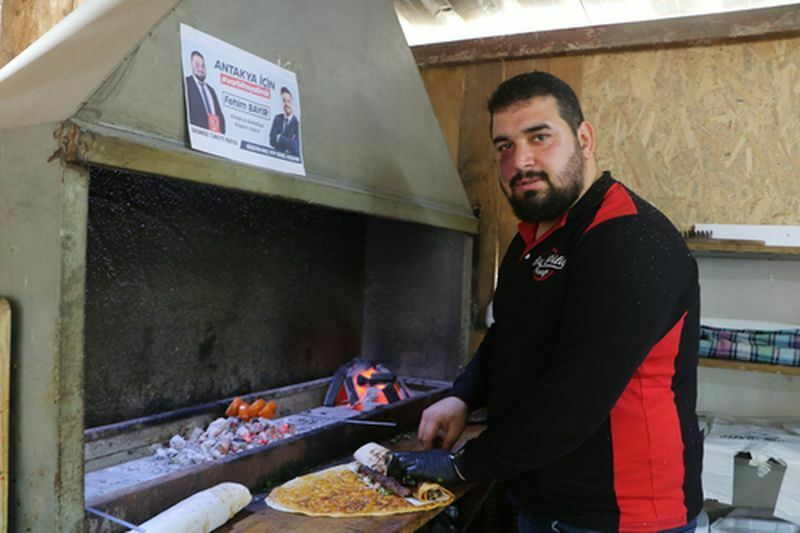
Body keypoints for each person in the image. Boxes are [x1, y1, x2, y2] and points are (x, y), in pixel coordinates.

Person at [389, 71, 703, 533]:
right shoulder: (533, 239)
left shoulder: (629, 239)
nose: (521, 161)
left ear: (584, 138)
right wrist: (463, 394)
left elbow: (576, 395)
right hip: (543, 499)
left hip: (622, 516)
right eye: (504, 146)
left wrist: (463, 467)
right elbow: (509, 334)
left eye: (540, 137)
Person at [184, 50, 226, 134]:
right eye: (197, 65)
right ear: (191, 65)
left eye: (203, 65)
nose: (201, 68)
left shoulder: (211, 90)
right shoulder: (187, 83)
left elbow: (219, 116)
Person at [269, 87, 300, 156]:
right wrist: (289, 142)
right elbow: (271, 140)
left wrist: (280, 138)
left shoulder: (297, 125)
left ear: (292, 103)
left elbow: (295, 147)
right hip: (276, 157)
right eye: (284, 101)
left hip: (290, 161)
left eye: (288, 101)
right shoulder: (277, 118)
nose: (286, 104)